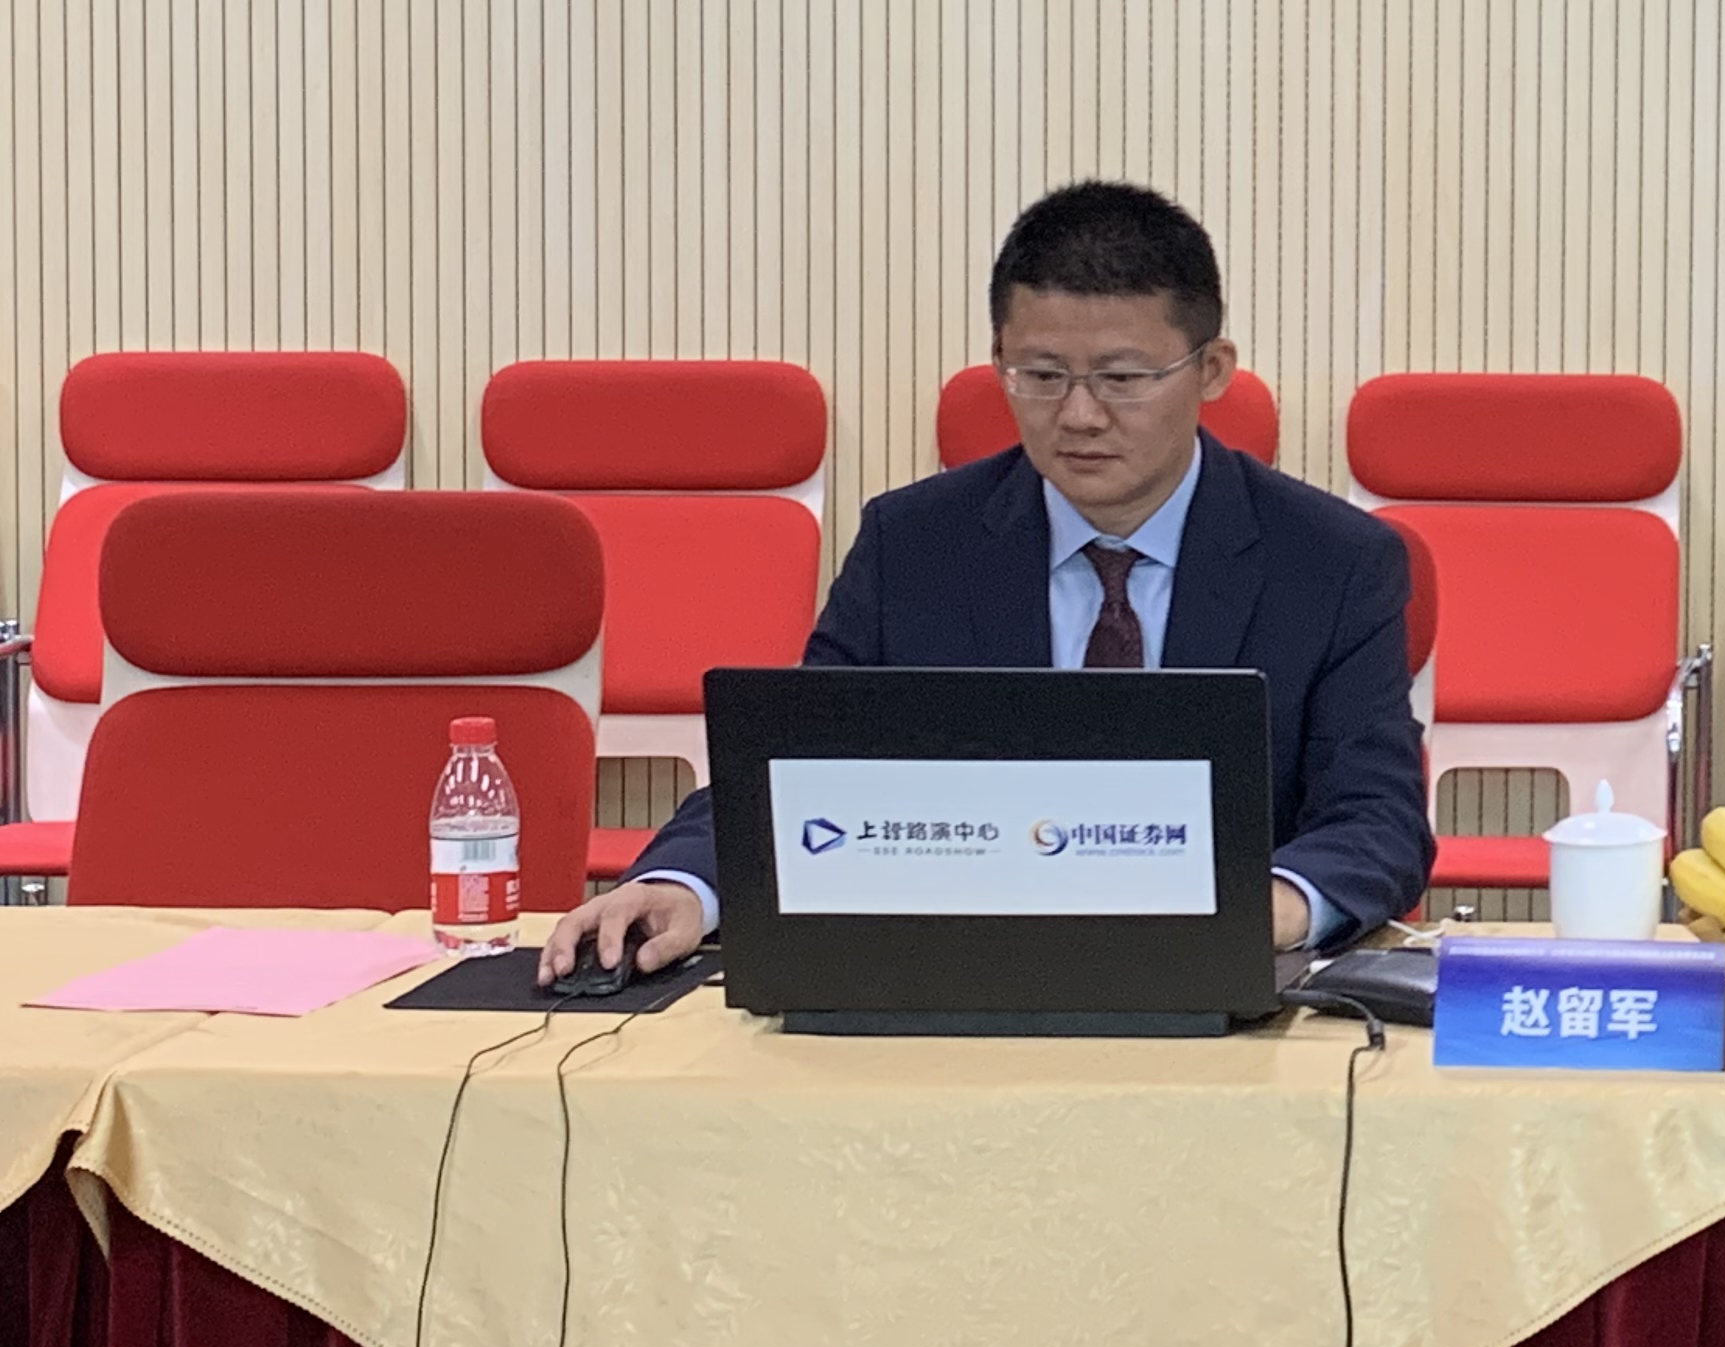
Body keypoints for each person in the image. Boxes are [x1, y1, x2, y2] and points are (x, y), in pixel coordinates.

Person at [541, 181, 1431, 980]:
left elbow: (1377, 816)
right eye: (1039, 376)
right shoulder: (914, 545)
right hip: (954, 973)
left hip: (1216, 992)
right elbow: (799, 769)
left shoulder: (1333, 560)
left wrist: (1263, 911)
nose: (1079, 415)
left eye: (1122, 378)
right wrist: (683, 883)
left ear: (1211, 371)